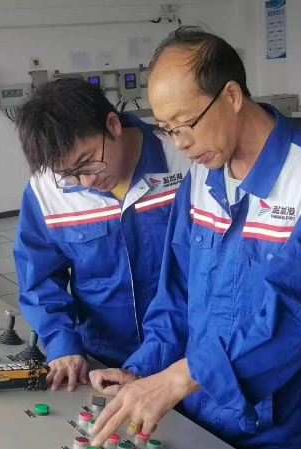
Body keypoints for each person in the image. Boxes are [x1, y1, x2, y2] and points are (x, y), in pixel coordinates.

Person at [89, 27, 301, 449]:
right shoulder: (201, 178)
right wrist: (143, 369)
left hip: (278, 417)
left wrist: (178, 378)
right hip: (200, 401)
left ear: (232, 96)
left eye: (185, 124)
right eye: (167, 129)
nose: (179, 143)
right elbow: (177, 293)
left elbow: (294, 317)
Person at [13, 79, 190, 391]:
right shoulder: (45, 191)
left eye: (88, 162)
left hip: (185, 357)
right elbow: (39, 278)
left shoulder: (184, 161)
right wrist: (62, 342)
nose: (86, 180)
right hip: (103, 360)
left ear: (112, 124)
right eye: (68, 174)